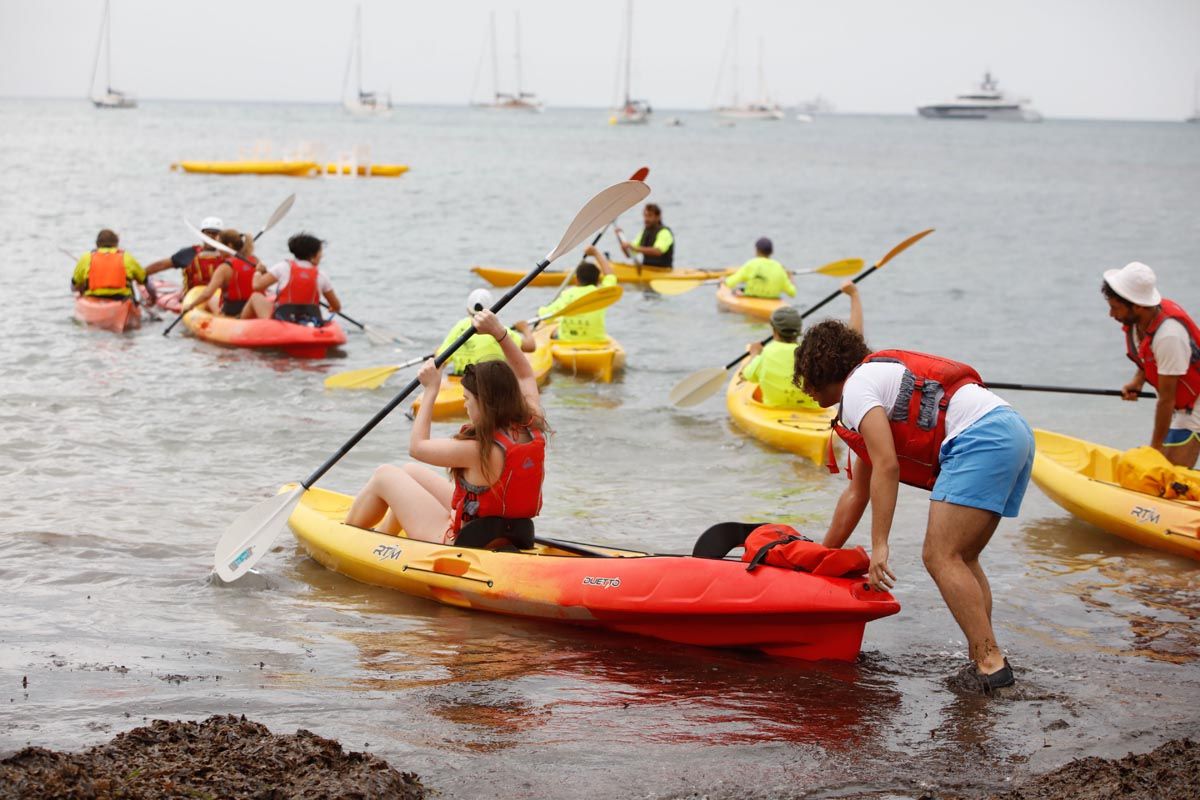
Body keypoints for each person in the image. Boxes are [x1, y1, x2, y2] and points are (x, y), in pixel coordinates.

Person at [793, 321, 1034, 694]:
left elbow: (888, 466)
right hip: (1011, 430)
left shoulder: (857, 391)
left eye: (805, 378)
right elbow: (859, 492)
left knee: (940, 556)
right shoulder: (872, 386)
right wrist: (824, 557)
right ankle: (986, 659)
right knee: (963, 558)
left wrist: (880, 547)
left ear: (819, 369)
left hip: (979, 437)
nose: (804, 389)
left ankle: (991, 665)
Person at [344, 309, 548, 544]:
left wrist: (431, 390)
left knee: (384, 475)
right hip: (513, 534)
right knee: (410, 472)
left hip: (462, 540)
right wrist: (498, 333)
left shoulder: (479, 449)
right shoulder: (532, 425)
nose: (465, 406)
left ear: (484, 404)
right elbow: (524, 375)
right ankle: (384, 540)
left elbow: (417, 447)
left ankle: (347, 536)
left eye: (467, 399)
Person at [1102, 261, 1200, 468]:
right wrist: (1138, 380)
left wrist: (1154, 451)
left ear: (1137, 305)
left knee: (1168, 476)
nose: (1111, 315)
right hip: (1178, 401)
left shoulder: (1169, 336)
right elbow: (1148, 355)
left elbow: (1166, 401)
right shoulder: (1139, 319)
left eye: (1115, 308)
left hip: (1194, 406)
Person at [741, 281, 861, 408]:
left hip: (774, 410)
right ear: (799, 330)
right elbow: (855, 337)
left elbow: (748, 374)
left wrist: (754, 353)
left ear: (774, 330)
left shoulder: (767, 352)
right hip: (813, 412)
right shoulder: (812, 352)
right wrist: (854, 295)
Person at [246, 232, 341, 324]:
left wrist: (258, 271)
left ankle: (239, 324)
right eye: (320, 252)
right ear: (313, 255)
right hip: (310, 319)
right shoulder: (321, 275)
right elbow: (336, 306)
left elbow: (257, 286)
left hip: (283, 319)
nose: (321, 255)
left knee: (255, 296)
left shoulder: (283, 267)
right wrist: (332, 308)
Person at [437, 289, 536, 375]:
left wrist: (440, 350)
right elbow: (531, 346)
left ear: (467, 310)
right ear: (493, 310)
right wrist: (525, 329)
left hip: (461, 379)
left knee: (439, 349)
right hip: (490, 382)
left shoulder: (458, 327)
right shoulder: (497, 329)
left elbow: (440, 361)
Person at [536, 245, 618, 341]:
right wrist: (596, 253)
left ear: (577, 280)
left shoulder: (567, 295)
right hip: (595, 340)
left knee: (551, 329)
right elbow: (611, 276)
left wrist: (541, 311)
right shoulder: (601, 294)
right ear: (597, 281)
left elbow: (546, 316)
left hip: (568, 341)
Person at [177, 230, 261, 318]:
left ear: (229, 246)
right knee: (213, 300)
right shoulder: (255, 260)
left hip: (233, 313)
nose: (218, 249)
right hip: (253, 309)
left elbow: (207, 294)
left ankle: (218, 316)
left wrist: (190, 306)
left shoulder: (224, 267)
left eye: (219, 245)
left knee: (211, 300)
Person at [71, 229, 157, 305]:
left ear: (97, 244)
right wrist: (153, 298)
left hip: (93, 300)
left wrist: (81, 291)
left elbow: (73, 287)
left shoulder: (86, 258)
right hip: (121, 300)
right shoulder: (127, 257)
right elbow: (147, 282)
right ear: (116, 243)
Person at [143, 216, 227, 292]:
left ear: (221, 236)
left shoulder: (229, 255)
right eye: (208, 233)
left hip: (221, 299)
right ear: (202, 234)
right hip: (193, 299)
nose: (211, 237)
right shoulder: (189, 253)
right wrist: (140, 274)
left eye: (215, 233)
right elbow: (161, 265)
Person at [723, 237, 796, 300]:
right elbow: (792, 293)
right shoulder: (780, 267)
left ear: (756, 251)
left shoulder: (750, 264)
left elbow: (730, 283)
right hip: (773, 301)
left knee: (736, 291)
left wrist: (723, 281)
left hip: (752, 300)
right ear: (772, 252)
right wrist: (791, 278)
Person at [615, 203, 673, 267]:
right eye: (645, 215)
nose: (646, 219)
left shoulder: (665, 232)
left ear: (658, 217)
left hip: (663, 271)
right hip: (647, 270)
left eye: (650, 216)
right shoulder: (644, 232)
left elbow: (658, 251)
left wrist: (634, 248)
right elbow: (629, 255)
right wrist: (621, 239)